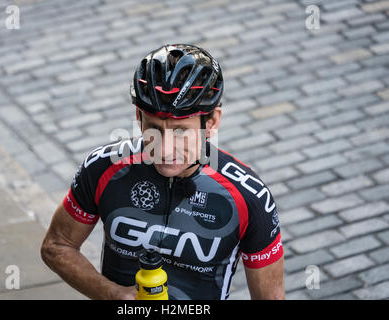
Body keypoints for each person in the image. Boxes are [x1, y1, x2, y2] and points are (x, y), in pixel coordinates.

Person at [41, 44, 285, 300]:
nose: (165, 150)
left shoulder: (249, 197)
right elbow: (57, 246)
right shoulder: (103, 168)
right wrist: (114, 295)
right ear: (138, 116)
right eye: (154, 129)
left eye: (180, 131)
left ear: (211, 123)